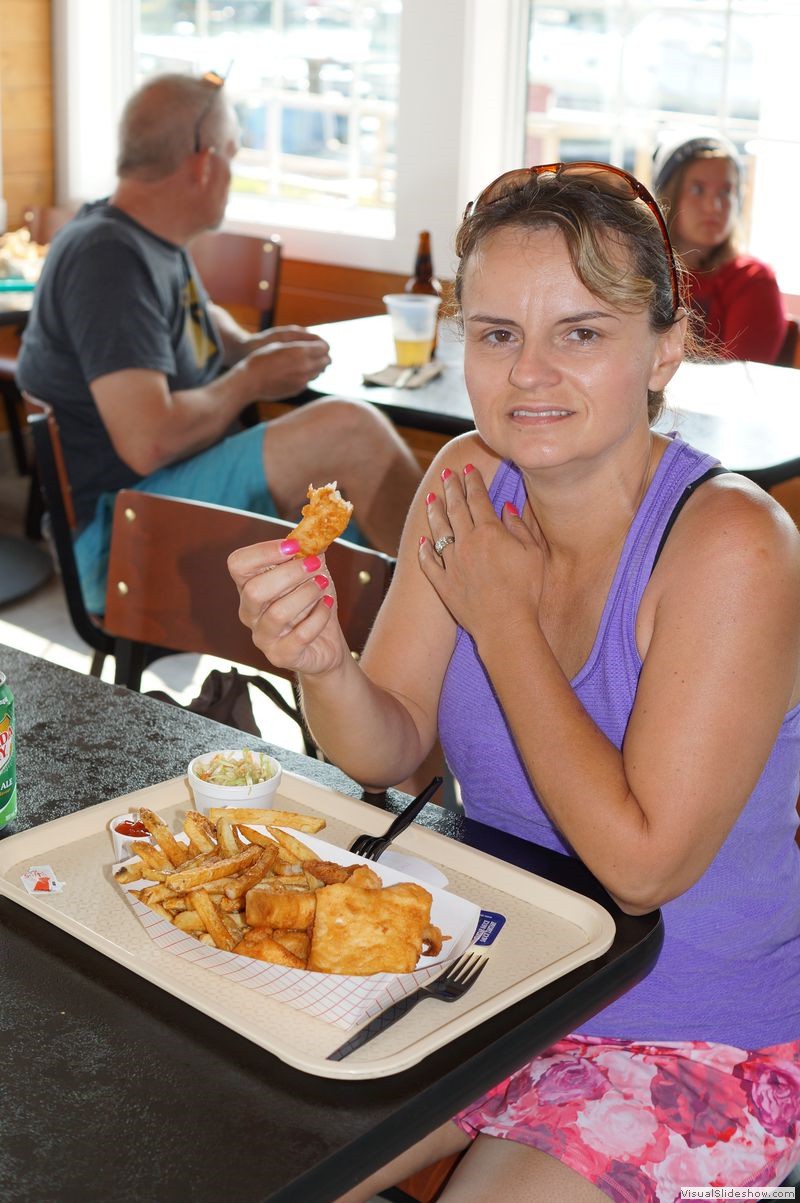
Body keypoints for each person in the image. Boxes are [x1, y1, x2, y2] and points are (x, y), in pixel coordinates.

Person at [229, 161, 800, 1201]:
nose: (527, 374)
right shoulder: (462, 482)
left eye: (578, 333)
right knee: (228, 1156)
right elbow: (387, 749)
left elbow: (640, 870)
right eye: (495, 334)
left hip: (685, 1029)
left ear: (663, 348)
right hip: (483, 976)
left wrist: (502, 622)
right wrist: (322, 663)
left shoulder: (733, 547)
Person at [16, 72, 421, 613]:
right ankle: (447, 623)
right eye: (233, 153)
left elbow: (201, 325)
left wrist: (252, 348)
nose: (234, 170)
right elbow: (148, 440)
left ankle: (403, 634)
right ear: (205, 162)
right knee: (349, 432)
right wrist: (250, 380)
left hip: (155, 502)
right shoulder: (108, 259)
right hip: (117, 540)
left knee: (357, 518)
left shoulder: (148, 240)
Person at [653, 130, 787, 364]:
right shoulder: (642, 270)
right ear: (668, 196)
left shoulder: (752, 280)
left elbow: (738, 384)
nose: (714, 206)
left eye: (726, 192)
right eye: (697, 190)